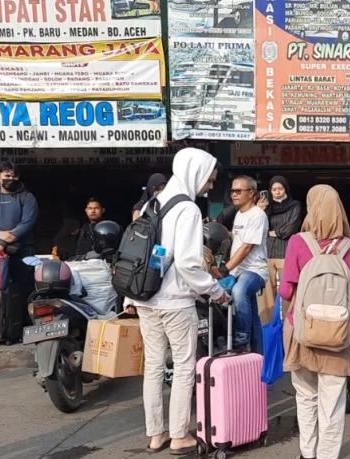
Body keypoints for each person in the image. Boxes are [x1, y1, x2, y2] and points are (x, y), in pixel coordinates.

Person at [126, 148, 230, 455]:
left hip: (145, 298)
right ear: (195, 172)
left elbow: (138, 253)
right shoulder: (188, 209)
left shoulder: (153, 203)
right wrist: (215, 290)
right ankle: (180, 434)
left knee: (155, 367)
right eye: (209, 179)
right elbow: (188, 264)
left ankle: (156, 434)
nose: (210, 186)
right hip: (174, 300)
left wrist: (130, 296)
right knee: (185, 366)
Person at [279, 185, 350, 459]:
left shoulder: (297, 242)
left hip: (302, 333)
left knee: (305, 396)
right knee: (333, 402)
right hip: (338, 336)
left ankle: (307, 452)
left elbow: (286, 292)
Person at [213, 176, 269, 354]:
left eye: (239, 191)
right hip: (239, 270)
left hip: (255, 270)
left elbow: (246, 248)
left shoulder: (257, 215)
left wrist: (225, 269)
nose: (234, 195)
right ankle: (259, 361)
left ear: (251, 193)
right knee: (253, 318)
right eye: (232, 191)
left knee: (239, 291)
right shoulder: (239, 214)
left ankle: (241, 339)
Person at [0, 161, 38, 294]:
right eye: (7, 176)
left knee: (24, 291)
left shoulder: (27, 197)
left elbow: (27, 223)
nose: (11, 179)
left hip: (23, 251)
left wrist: (4, 241)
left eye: (14, 176)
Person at [258, 175, 302, 319]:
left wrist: (273, 232)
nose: (277, 192)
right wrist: (260, 211)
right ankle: (267, 326)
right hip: (268, 253)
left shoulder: (295, 205)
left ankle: (288, 324)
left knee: (287, 291)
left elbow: (290, 229)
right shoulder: (267, 208)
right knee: (266, 294)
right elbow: (260, 229)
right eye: (274, 189)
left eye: (280, 189)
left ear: (286, 190)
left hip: (286, 253)